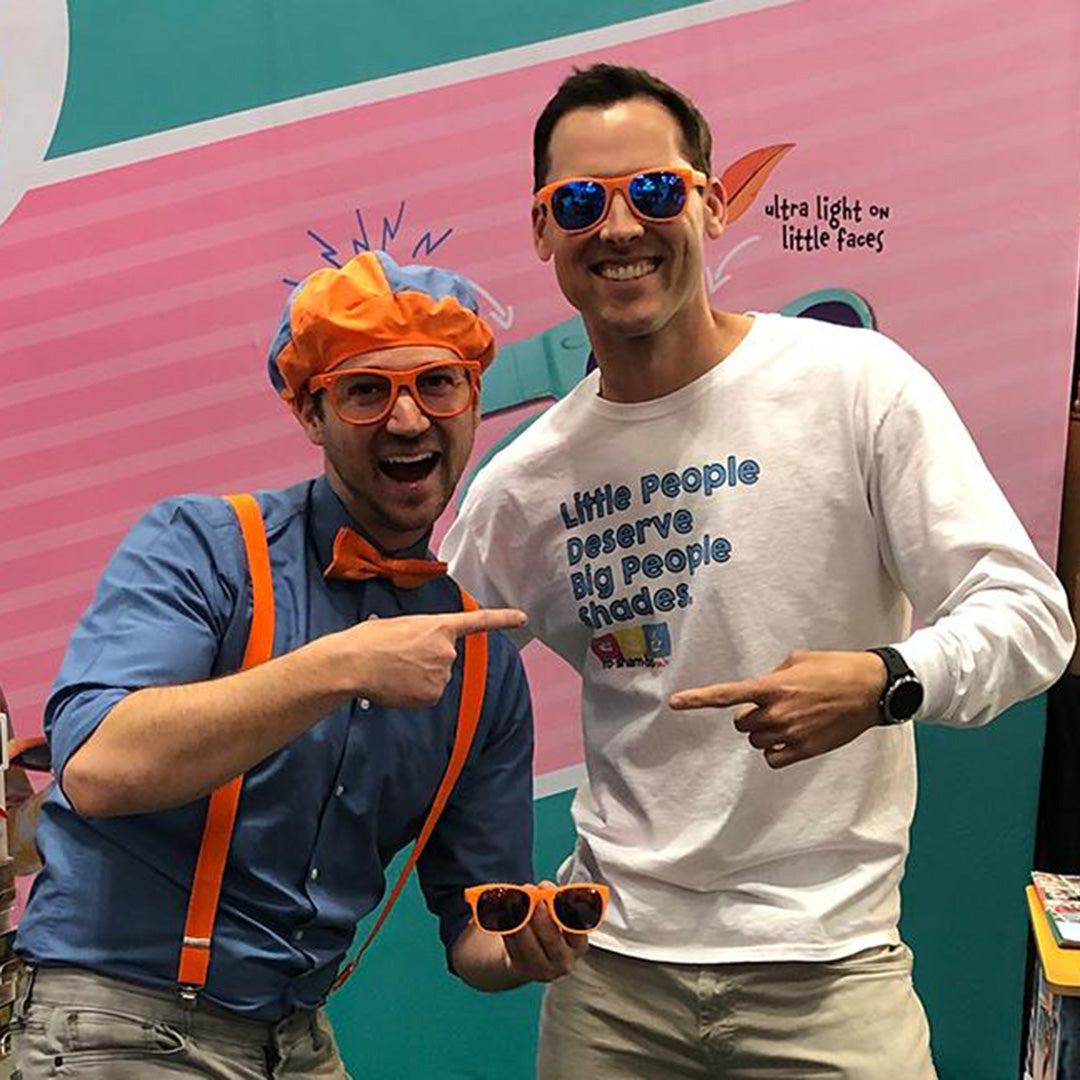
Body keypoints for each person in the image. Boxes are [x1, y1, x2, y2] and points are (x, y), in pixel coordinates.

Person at [441, 63, 1076, 1078]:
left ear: (713, 202)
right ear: (542, 228)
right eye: (582, 200)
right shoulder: (524, 486)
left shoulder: (852, 385)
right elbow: (429, 693)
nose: (620, 226)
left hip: (830, 969)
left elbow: (1030, 616)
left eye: (655, 190)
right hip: (613, 981)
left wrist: (883, 679)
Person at [12, 251, 586, 1080]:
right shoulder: (202, 549)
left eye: (437, 384)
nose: (408, 420)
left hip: (297, 1041)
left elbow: (474, 934)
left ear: (472, 400)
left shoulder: (481, 662)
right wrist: (336, 667)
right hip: (114, 1019)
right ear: (311, 413)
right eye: (365, 391)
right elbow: (99, 768)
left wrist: (525, 945)